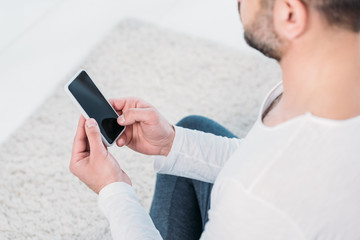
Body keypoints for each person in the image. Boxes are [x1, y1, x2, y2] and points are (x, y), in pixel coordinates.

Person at [69, 0, 360, 239]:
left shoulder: (258, 199)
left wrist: (113, 189)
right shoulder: (331, 85)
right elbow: (258, 154)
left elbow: (264, 179)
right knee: (192, 129)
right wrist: (171, 143)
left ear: (290, 14)